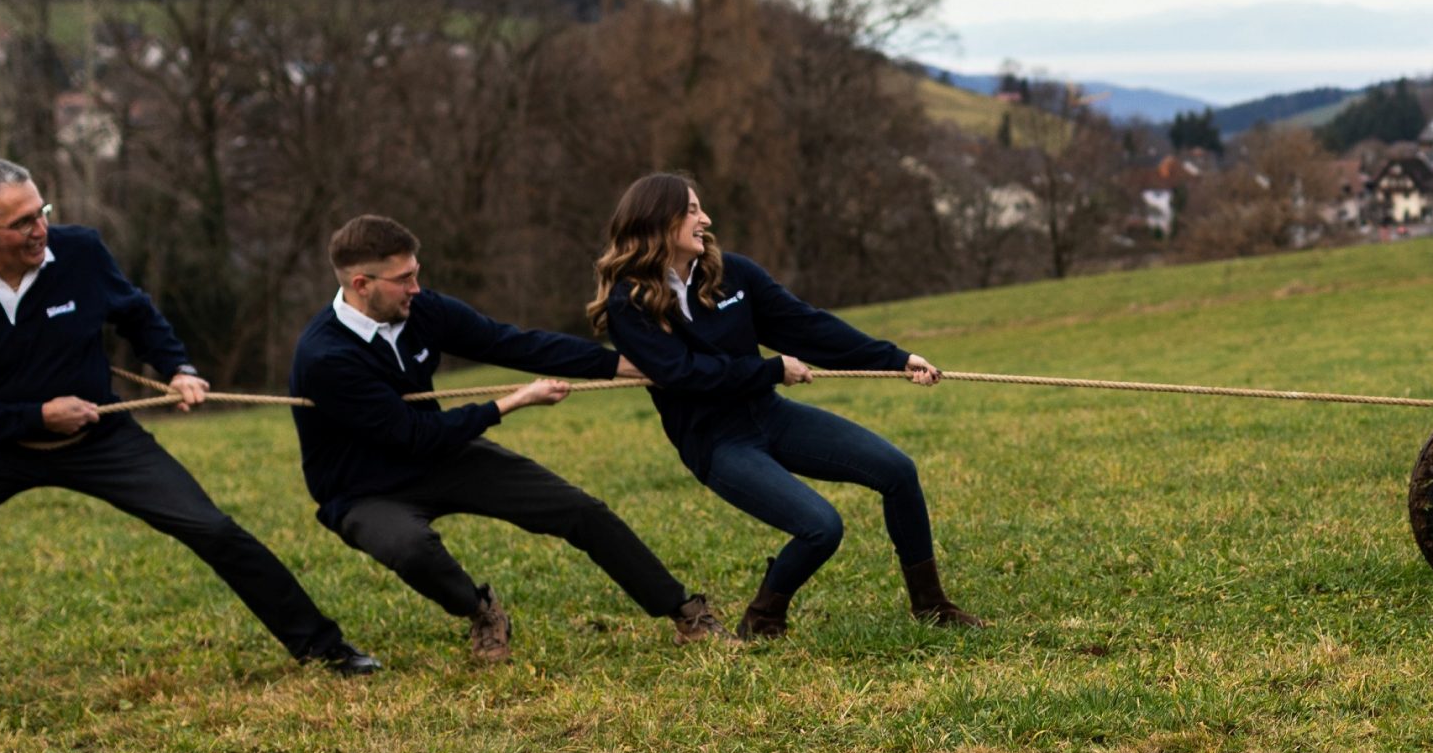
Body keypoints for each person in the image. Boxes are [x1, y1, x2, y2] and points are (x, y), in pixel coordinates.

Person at [0, 158, 379, 693]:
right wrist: (38, 416)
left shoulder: (80, 252)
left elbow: (137, 314)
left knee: (212, 528)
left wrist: (177, 368)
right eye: (22, 222)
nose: (40, 228)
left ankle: (322, 646)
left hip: (98, 438)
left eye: (41, 211)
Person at [290, 214, 730, 659]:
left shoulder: (422, 311)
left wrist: (616, 365)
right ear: (362, 284)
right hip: (362, 489)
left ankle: (684, 612)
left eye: (416, 273)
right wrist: (509, 404)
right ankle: (480, 610)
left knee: (580, 511)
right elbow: (411, 434)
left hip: (440, 457)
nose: (416, 288)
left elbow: (511, 343)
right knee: (411, 548)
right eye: (403, 279)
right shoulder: (326, 357)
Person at [590, 173, 984, 640]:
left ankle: (931, 604)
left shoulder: (732, 274)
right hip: (716, 442)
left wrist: (895, 358)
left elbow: (804, 325)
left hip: (771, 416)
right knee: (821, 526)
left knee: (898, 470)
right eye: (692, 210)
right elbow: (685, 374)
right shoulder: (629, 305)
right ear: (659, 219)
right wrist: (771, 370)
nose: (705, 220)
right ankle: (763, 617)